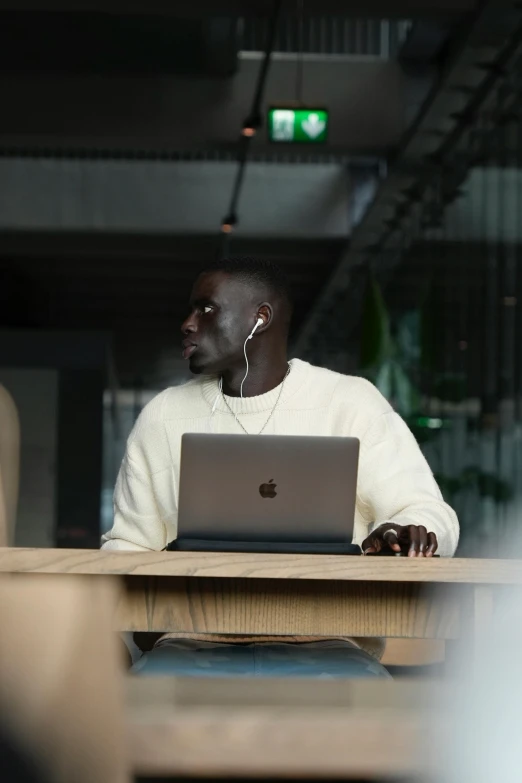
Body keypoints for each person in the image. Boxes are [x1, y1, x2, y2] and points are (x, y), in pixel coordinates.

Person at [102, 256, 459, 678]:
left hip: (332, 645)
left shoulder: (349, 402)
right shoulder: (162, 417)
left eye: (206, 308)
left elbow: (428, 511)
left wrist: (410, 531)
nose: (188, 323)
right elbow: (124, 551)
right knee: (143, 695)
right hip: (188, 642)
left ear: (261, 317)